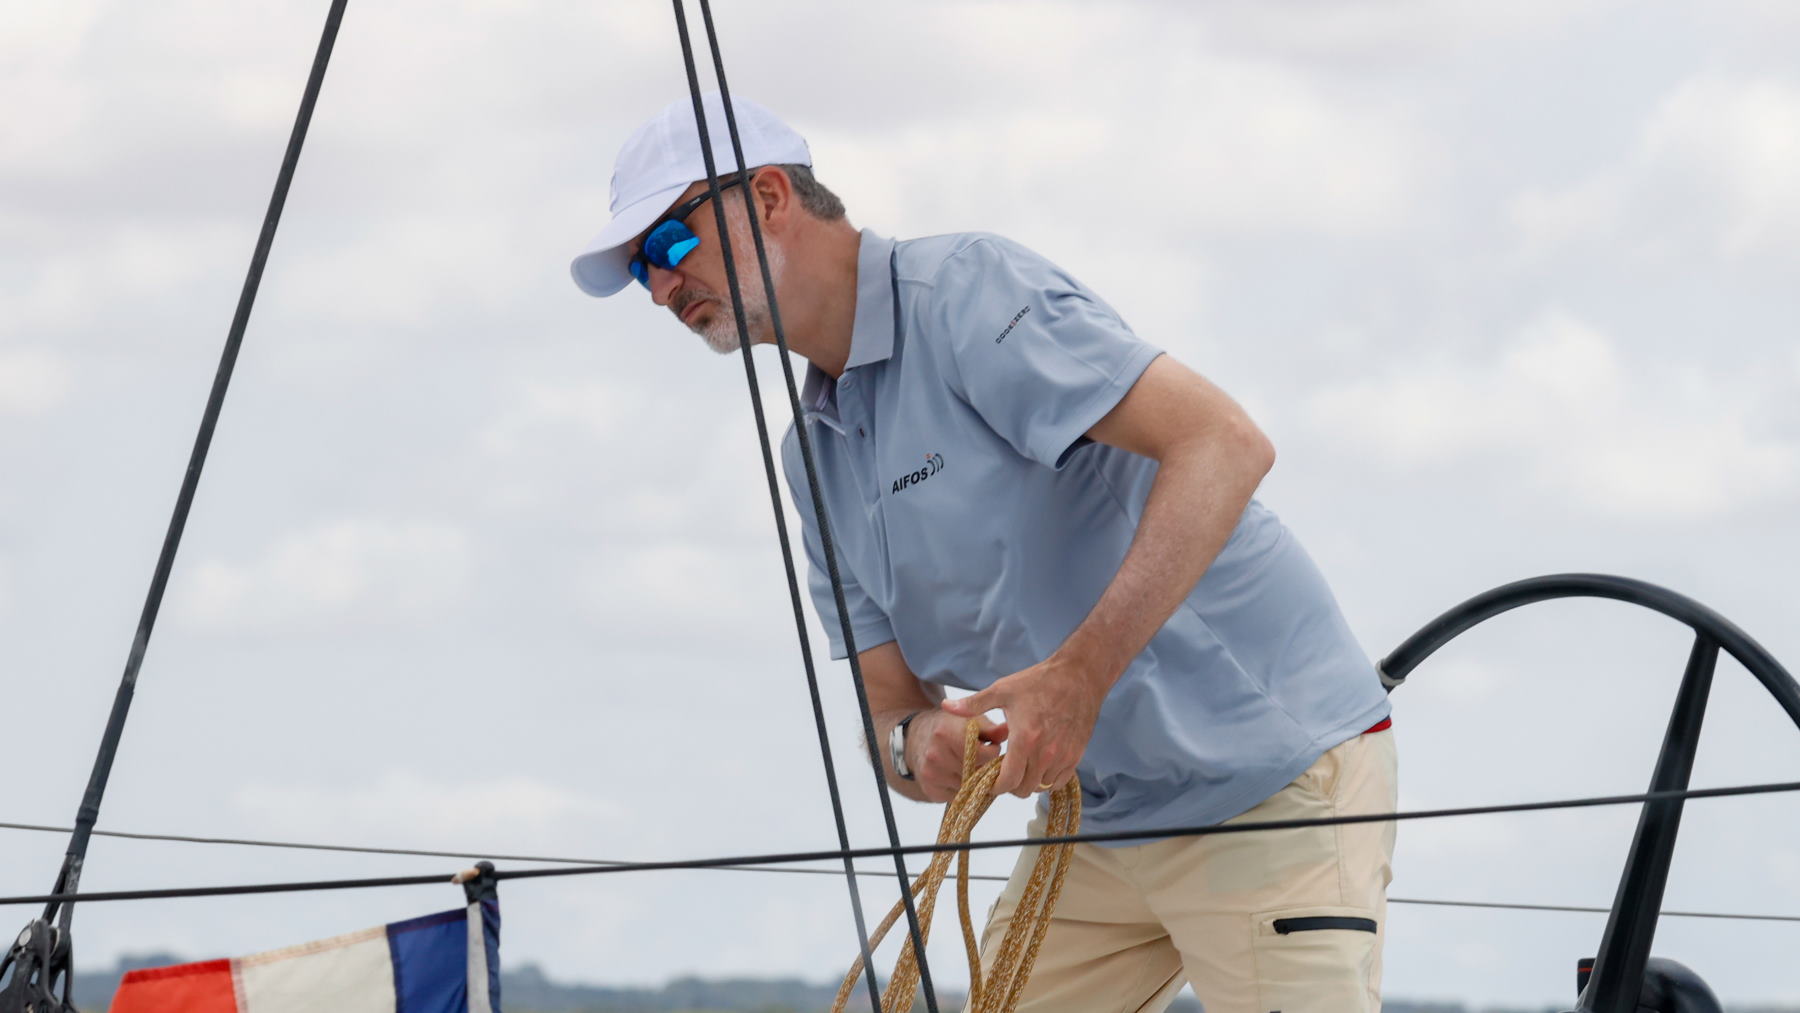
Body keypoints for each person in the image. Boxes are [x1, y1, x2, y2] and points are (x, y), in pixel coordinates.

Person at [572, 93, 1399, 1013]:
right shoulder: (811, 460)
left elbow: (1226, 444)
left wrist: (1077, 678)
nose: (657, 285)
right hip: (1100, 819)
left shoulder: (968, 292)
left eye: (668, 245)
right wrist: (920, 745)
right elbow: (891, 715)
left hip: (1269, 780)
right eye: (640, 270)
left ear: (768, 195)